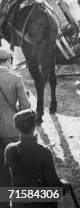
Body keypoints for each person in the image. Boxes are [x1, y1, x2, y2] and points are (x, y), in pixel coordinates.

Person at [4, 109, 68, 202]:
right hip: (40, 201)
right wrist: (63, 184)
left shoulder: (10, 149)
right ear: (34, 126)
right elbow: (53, 183)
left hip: (19, 200)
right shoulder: (44, 152)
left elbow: (8, 172)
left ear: (16, 127)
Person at [0, 49, 31, 198]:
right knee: (16, 167)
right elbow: (25, 108)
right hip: (11, 129)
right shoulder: (15, 78)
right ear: (8, 61)